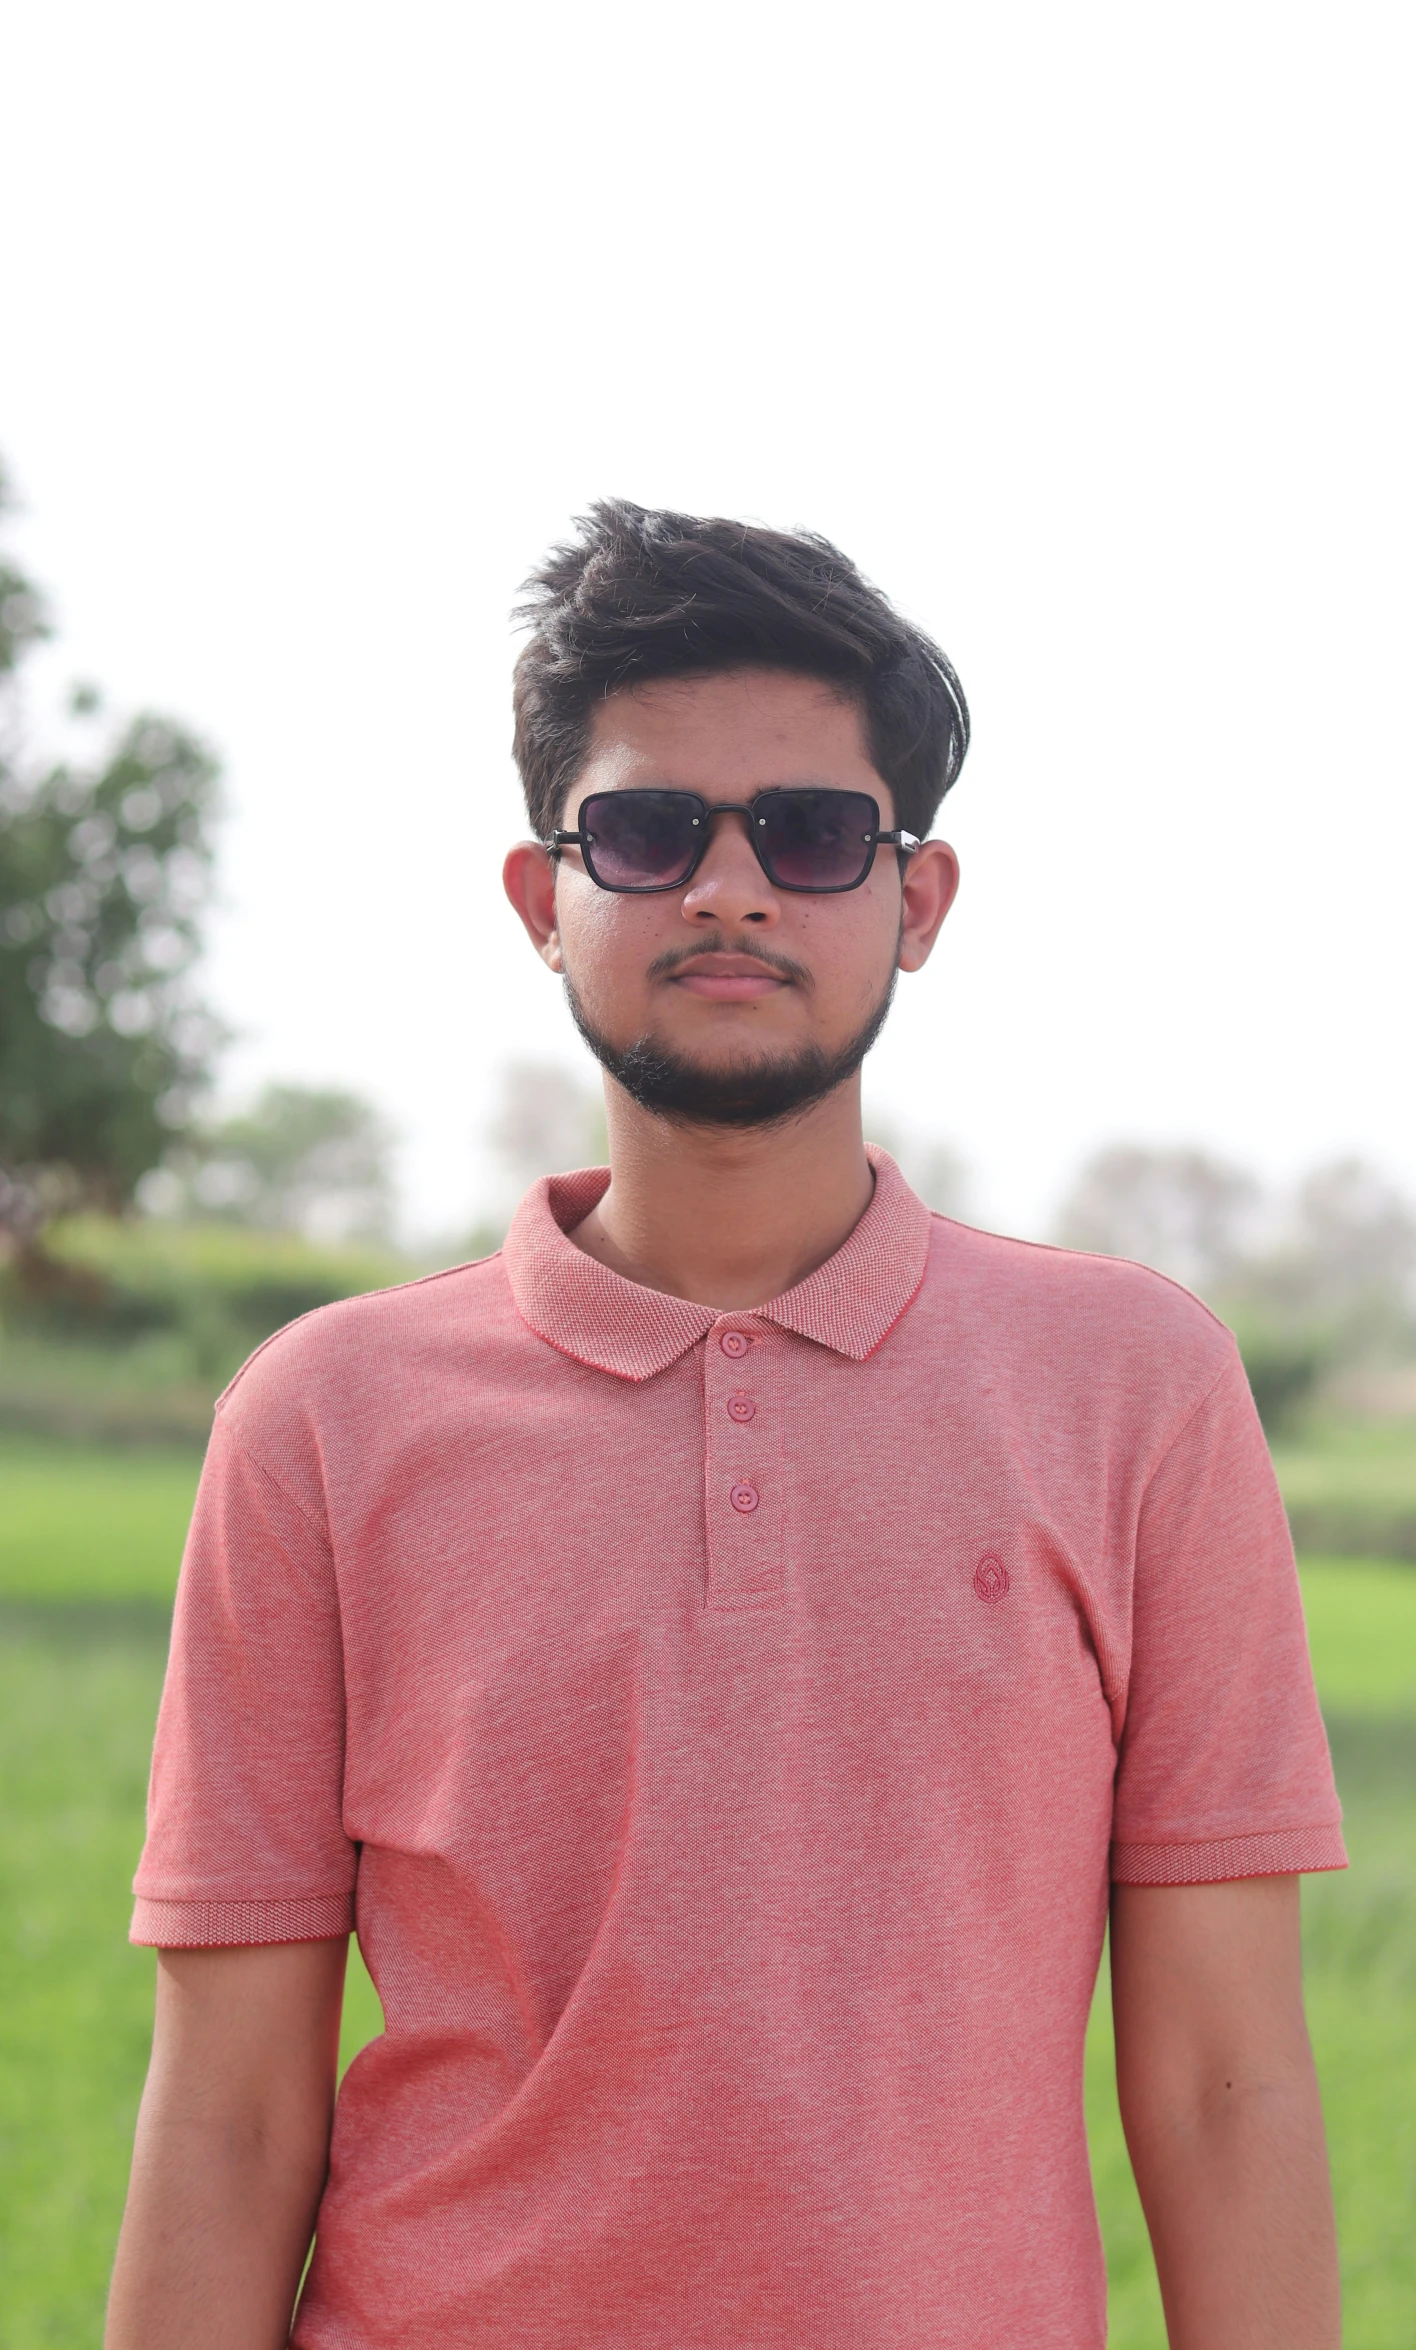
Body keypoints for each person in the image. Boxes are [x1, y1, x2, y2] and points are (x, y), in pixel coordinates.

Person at [107, 501, 1345, 2350]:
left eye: (815, 831)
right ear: (546, 898)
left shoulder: (1136, 1390)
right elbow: (229, 2111)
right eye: (648, 828)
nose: (730, 887)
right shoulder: (321, 1422)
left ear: (914, 903)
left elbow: (1223, 2085)